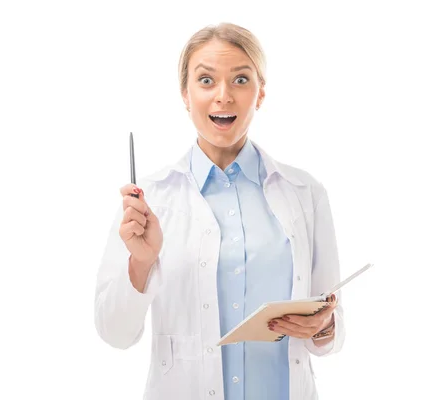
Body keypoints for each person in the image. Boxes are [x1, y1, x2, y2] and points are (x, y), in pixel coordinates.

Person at [94, 22, 344, 400]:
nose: (223, 96)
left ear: (260, 94)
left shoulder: (305, 193)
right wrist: (141, 264)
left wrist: (324, 327)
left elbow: (330, 333)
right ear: (185, 93)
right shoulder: (150, 201)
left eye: (241, 80)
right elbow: (114, 332)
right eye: (206, 81)